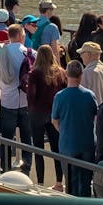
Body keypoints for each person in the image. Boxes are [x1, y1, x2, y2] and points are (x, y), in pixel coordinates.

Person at [52, 61, 98, 197]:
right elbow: (96, 116)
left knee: (71, 184)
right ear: (81, 75)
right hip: (87, 144)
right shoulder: (89, 95)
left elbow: (54, 120)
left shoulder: (60, 96)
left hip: (68, 144)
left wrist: (64, 131)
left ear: (66, 74)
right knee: (85, 182)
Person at [0, 25, 31, 171]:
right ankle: (26, 170)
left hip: (7, 101)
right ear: (21, 35)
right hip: (26, 101)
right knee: (26, 140)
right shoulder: (30, 53)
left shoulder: (0, 52)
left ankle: (6, 169)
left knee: (6, 138)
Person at [24, 45, 66, 189]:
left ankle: (41, 182)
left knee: (38, 149)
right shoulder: (60, 72)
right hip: (54, 113)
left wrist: (30, 108)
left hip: (37, 113)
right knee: (56, 149)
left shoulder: (34, 73)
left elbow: (31, 95)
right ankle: (59, 182)